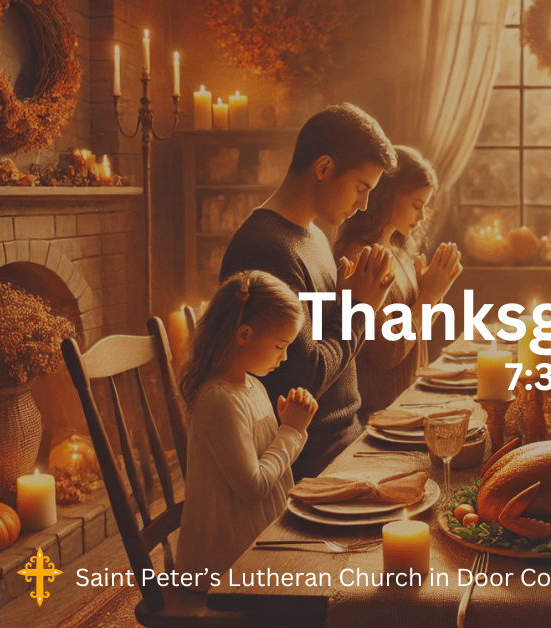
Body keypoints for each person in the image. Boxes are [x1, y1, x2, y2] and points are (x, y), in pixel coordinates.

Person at [220, 103, 398, 479]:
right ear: (323, 168)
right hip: (307, 461)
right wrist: (359, 309)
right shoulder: (266, 248)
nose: (364, 205)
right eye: (361, 188)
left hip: (348, 439)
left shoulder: (315, 236)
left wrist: (348, 305)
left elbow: (329, 347)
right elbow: (306, 378)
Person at [175, 271, 319, 590]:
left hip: (258, 536)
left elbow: (265, 461)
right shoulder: (218, 399)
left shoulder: (251, 385)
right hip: (224, 561)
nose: (284, 357)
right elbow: (253, 487)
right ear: (244, 334)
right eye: (280, 345)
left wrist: (284, 427)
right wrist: (291, 431)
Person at [333, 146, 462, 416]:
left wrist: (435, 293)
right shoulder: (358, 256)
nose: (423, 217)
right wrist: (428, 297)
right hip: (379, 415)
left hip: (408, 403)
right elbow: (389, 352)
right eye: (417, 205)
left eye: (426, 207)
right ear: (387, 195)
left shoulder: (400, 250)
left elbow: (417, 333)